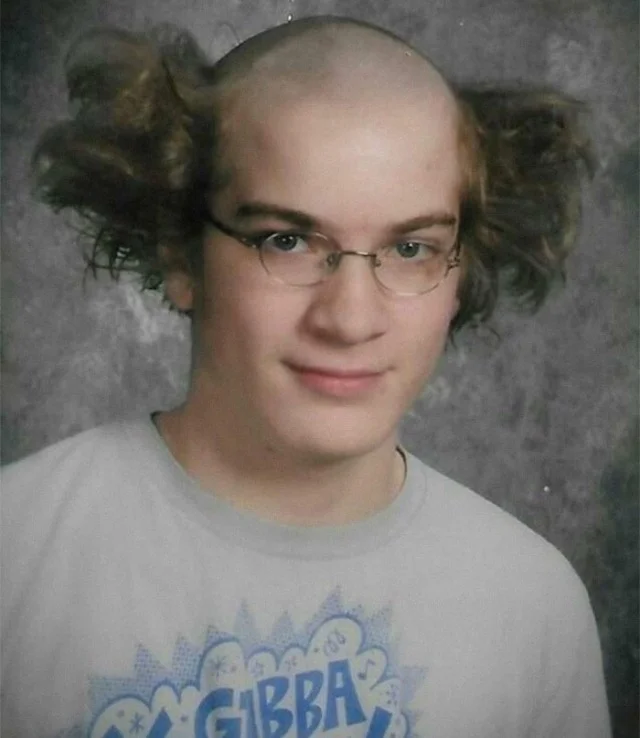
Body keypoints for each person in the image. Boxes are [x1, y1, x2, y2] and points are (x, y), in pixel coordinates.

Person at [1, 15, 610, 738]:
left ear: (460, 273)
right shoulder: (16, 549)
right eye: (286, 240)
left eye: (411, 249)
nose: (350, 319)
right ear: (180, 253)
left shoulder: (535, 608)